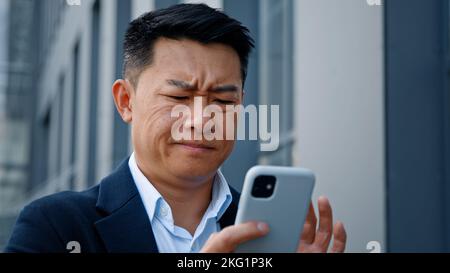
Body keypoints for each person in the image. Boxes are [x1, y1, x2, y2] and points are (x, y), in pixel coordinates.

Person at [5, 3, 346, 253]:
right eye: (179, 96)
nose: (201, 120)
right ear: (126, 101)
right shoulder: (55, 227)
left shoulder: (269, 236)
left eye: (223, 101)